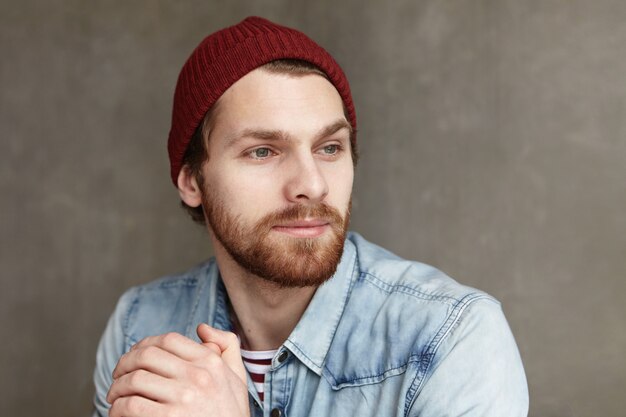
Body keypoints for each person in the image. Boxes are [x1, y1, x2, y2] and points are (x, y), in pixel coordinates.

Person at [92, 16, 529, 417]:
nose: (313, 184)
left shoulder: (452, 337)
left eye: (329, 148)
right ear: (191, 181)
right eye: (262, 151)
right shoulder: (138, 326)